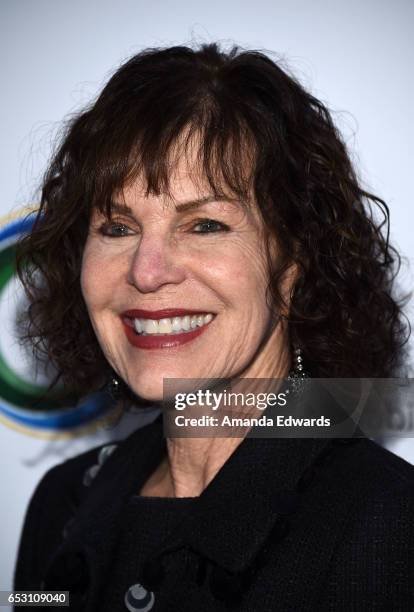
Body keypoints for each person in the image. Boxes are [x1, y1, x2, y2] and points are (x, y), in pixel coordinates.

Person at [13, 43, 414, 611]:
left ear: (295, 263)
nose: (146, 272)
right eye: (118, 227)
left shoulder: (389, 530)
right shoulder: (62, 505)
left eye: (204, 224)